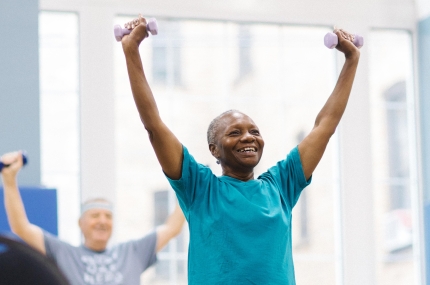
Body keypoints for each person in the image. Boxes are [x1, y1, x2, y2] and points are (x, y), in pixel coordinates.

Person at [121, 15, 360, 284]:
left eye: (254, 131)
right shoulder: (200, 188)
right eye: (235, 133)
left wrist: (351, 61)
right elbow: (154, 126)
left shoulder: (281, 186)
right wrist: (131, 51)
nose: (248, 137)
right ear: (214, 149)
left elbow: (324, 126)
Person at [0, 151, 186, 285]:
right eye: (95, 215)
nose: (102, 221)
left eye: (108, 216)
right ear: (81, 223)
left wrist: (189, 185)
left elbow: (172, 228)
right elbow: (21, 228)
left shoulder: (132, 252)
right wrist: (9, 180)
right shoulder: (64, 253)